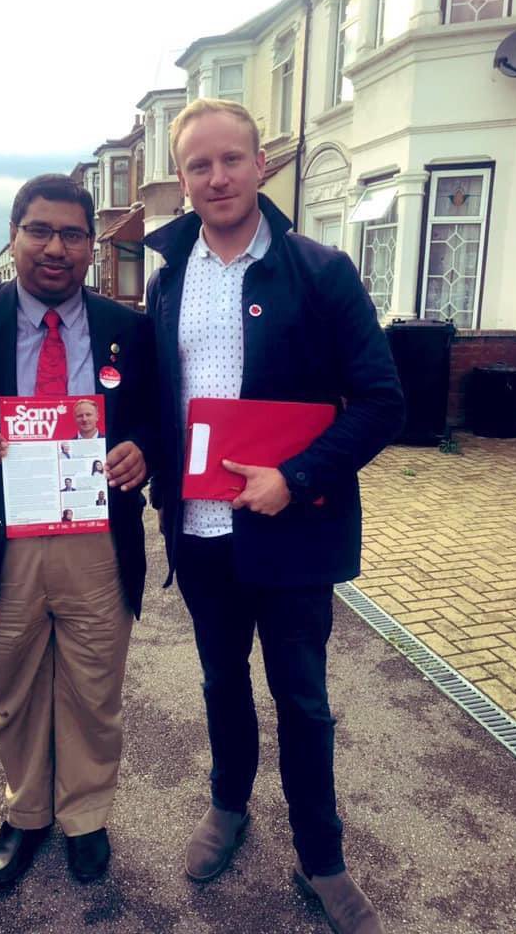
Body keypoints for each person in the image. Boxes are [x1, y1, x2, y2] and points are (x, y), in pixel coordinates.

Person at [145, 99, 404, 934]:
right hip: (200, 532)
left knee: (304, 701)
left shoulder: (320, 270)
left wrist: (293, 478)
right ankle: (228, 809)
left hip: (290, 532)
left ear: (263, 166)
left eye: (231, 160)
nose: (216, 177)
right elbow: (162, 404)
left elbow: (381, 402)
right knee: (223, 684)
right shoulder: (168, 279)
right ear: (183, 181)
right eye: (199, 166)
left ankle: (321, 859)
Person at [0, 174, 158, 888]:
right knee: (11, 686)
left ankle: (84, 816)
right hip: (0, 536)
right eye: (39, 231)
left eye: (72, 234)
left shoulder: (127, 330)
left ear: (91, 247)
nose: (55, 247)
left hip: (94, 538)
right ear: (14, 237)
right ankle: (26, 813)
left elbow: (154, 419)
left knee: (93, 688)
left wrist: (144, 450)